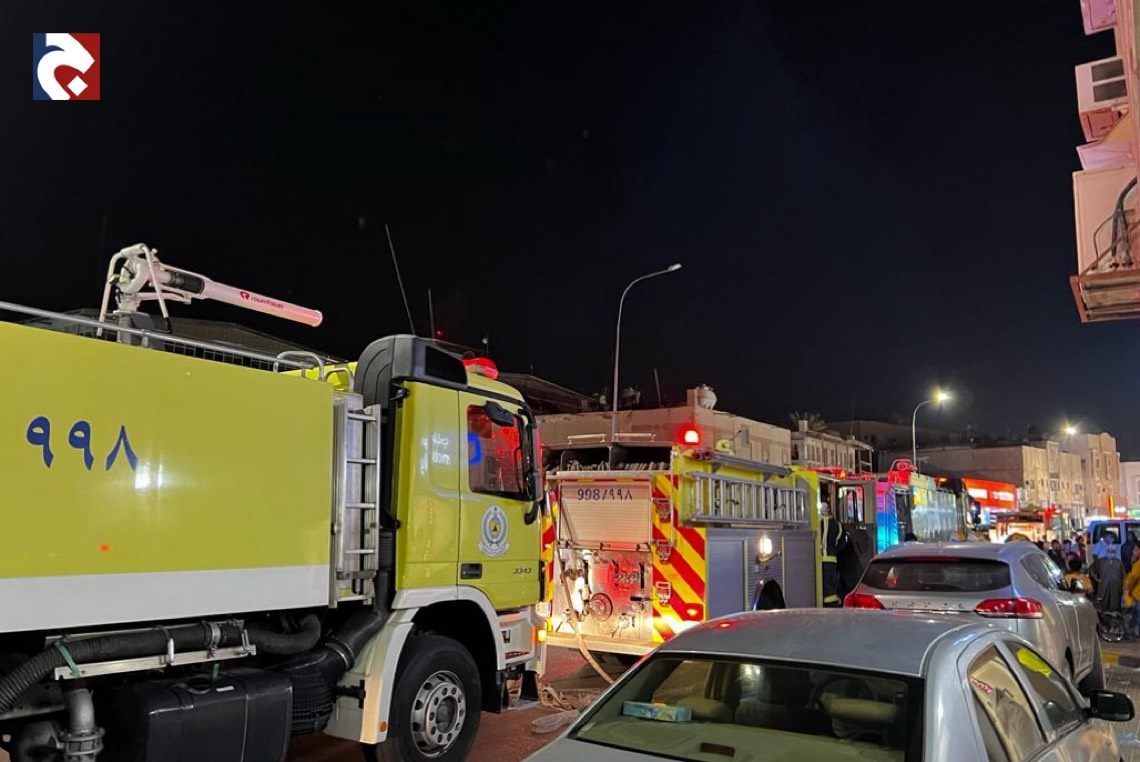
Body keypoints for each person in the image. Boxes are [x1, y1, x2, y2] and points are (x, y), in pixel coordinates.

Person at [1094, 544, 1125, 613]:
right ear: (1107, 551)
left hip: (1116, 585)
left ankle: (1114, 612)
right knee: (1103, 601)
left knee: (1114, 600)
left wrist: (1123, 585)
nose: (1111, 553)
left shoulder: (1119, 563)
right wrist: (1096, 579)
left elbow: (1124, 575)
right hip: (1104, 585)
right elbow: (1092, 571)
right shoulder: (1101, 561)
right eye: (1110, 551)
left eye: (1113, 551)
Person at [1124, 545, 1140, 639]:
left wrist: (1129, 590)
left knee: (1136, 615)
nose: (1134, 552)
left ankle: (1134, 633)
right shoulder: (1136, 563)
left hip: (1137, 594)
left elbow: (1133, 579)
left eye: (1136, 550)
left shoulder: (1138, 564)